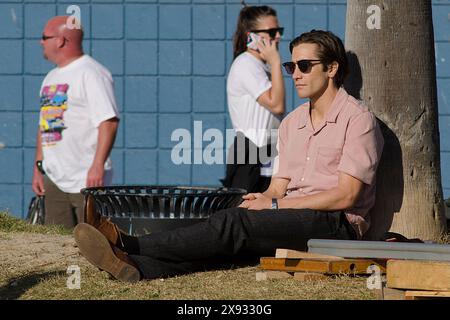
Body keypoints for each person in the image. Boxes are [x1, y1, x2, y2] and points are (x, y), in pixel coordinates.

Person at [74, 30, 384, 283]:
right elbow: (278, 187)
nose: (296, 75)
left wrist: (275, 205)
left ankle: (128, 243)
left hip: (336, 223)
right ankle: (137, 267)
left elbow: (346, 195)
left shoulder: (357, 120)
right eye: (291, 67)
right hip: (294, 215)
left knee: (236, 224)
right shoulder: (292, 122)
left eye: (304, 66)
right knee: (228, 238)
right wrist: (262, 199)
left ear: (332, 69)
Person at [32, 16, 120, 229]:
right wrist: (39, 167)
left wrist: (97, 166)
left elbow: (108, 121)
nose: (40, 42)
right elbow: (45, 125)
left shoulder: (92, 73)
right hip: (54, 179)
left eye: (45, 37)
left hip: (86, 180)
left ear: (61, 40)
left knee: (93, 244)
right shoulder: (51, 77)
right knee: (56, 246)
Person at [222, 3, 285, 193]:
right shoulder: (246, 64)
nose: (278, 37)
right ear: (251, 36)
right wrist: (275, 62)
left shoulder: (260, 66)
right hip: (249, 154)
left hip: (266, 153)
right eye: (272, 32)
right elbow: (277, 104)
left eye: (279, 30)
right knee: (243, 217)